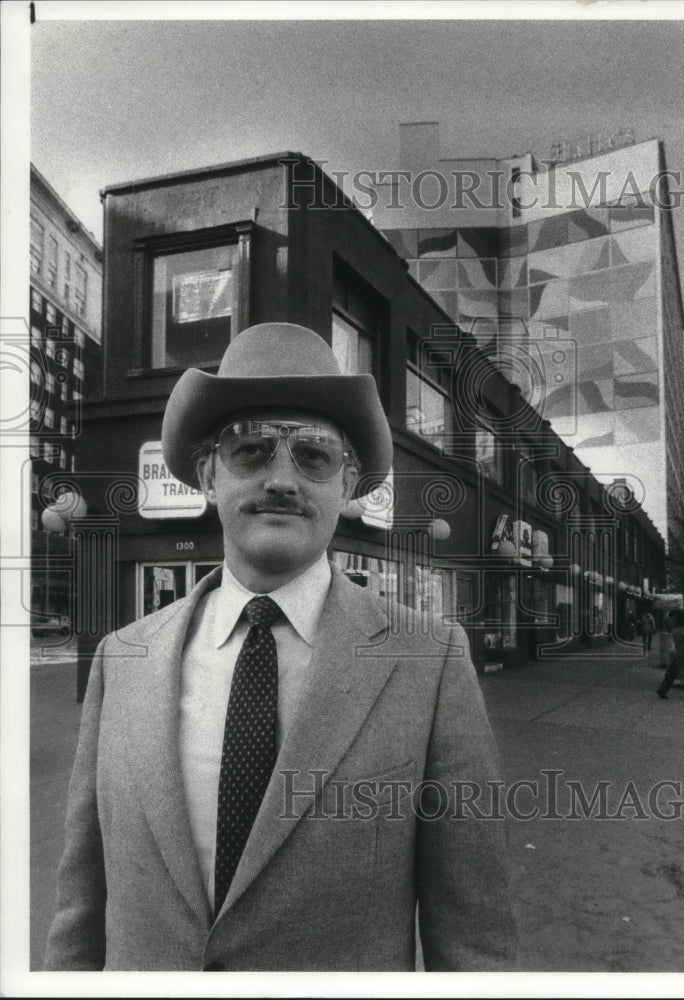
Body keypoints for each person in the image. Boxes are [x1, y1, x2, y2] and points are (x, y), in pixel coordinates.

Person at [45, 323, 518, 972]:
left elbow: (473, 942)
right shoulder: (121, 659)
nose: (282, 479)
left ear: (347, 484)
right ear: (207, 474)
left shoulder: (428, 664)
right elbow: (78, 911)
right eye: (250, 450)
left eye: (314, 455)